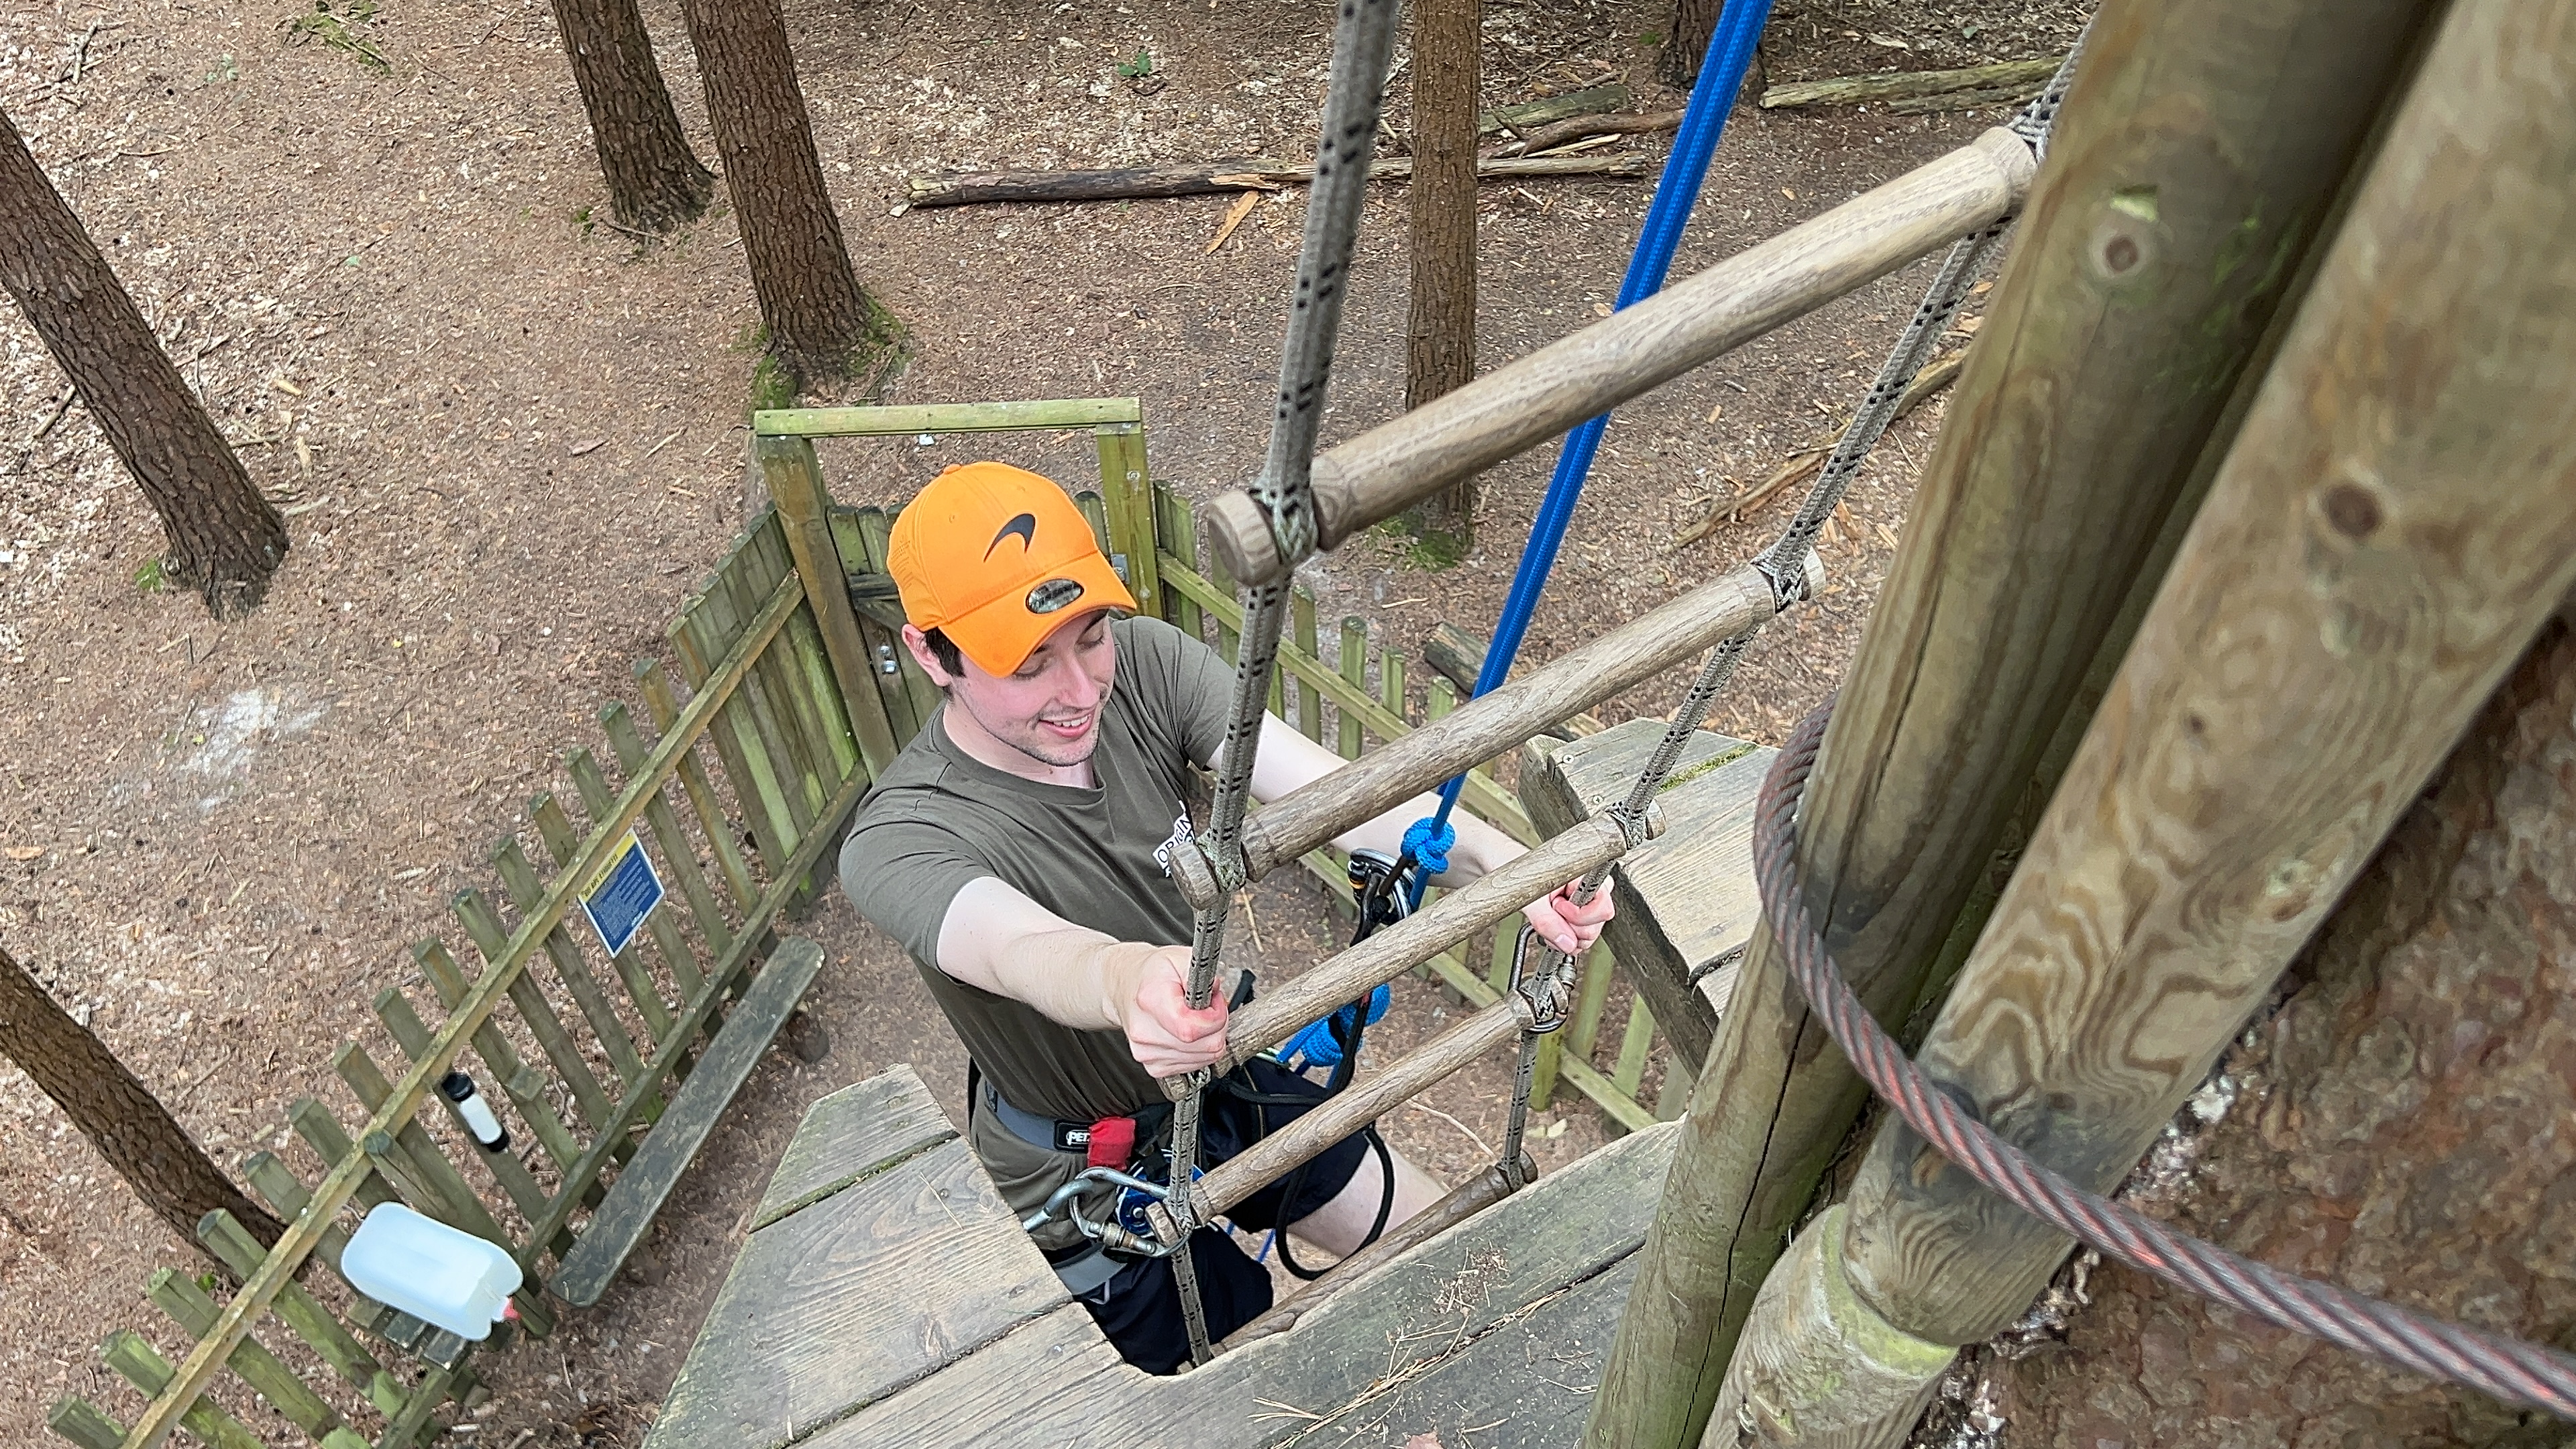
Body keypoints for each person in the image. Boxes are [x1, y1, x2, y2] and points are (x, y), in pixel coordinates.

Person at [837, 461, 1613, 1372]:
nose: (1082, 691)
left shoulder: (1150, 669)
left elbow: (1331, 793)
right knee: (1235, 1360)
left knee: (1454, 1248)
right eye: (1027, 663)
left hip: (1221, 1071)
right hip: (1086, 1171)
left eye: (1090, 637)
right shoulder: (900, 839)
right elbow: (1022, 950)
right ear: (932, 654)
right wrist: (1132, 982)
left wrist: (1504, 863)